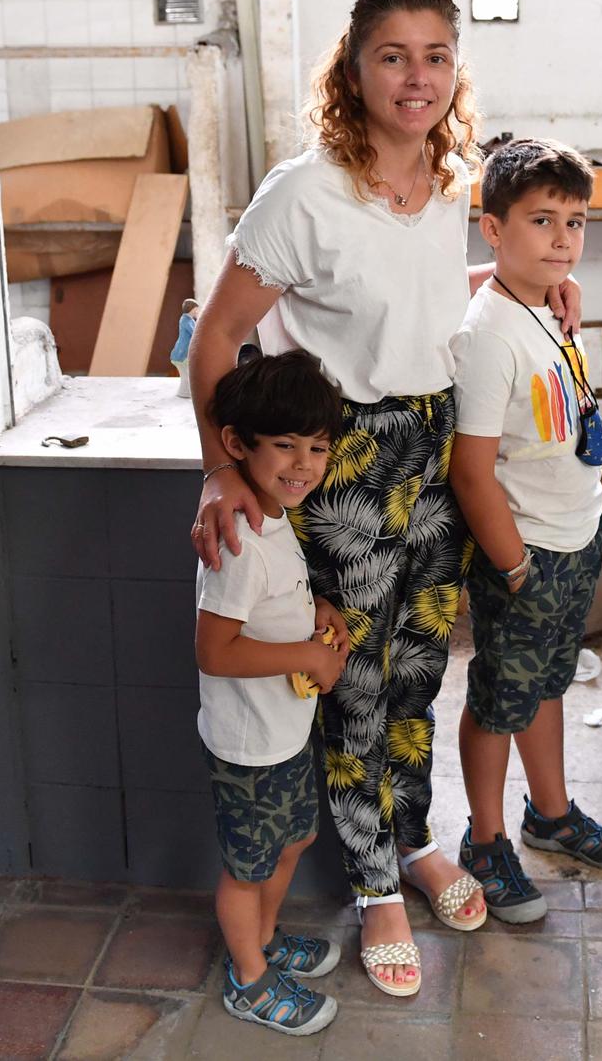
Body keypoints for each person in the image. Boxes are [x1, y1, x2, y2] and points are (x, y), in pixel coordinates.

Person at [189, 0, 576, 996]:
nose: (417, 77)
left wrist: (528, 285)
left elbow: (426, 296)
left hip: (435, 441)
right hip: (347, 461)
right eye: (392, 56)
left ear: (456, 69)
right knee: (350, 680)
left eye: (435, 55)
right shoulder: (303, 191)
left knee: (416, 670)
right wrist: (218, 472)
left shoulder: (452, 176)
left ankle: (409, 840)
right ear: (352, 70)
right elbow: (218, 334)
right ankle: (373, 889)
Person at [447, 138, 602, 924]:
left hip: (575, 533)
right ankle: (485, 839)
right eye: (541, 221)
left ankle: (551, 815)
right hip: (526, 551)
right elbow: (471, 469)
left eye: (576, 221)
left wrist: (563, 287)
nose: (563, 238)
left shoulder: (549, 302)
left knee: (545, 685)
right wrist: (514, 564)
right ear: (491, 229)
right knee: (498, 697)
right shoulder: (490, 333)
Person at [195, 352, 351, 1036]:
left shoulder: (274, 515)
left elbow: (276, 597)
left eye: (317, 446)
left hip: (283, 732)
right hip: (250, 745)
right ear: (236, 444)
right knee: (248, 866)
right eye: (284, 443)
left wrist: (319, 609)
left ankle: (260, 943)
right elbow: (214, 648)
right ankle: (249, 979)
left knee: (292, 840)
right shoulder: (236, 541)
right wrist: (309, 654)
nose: (304, 462)